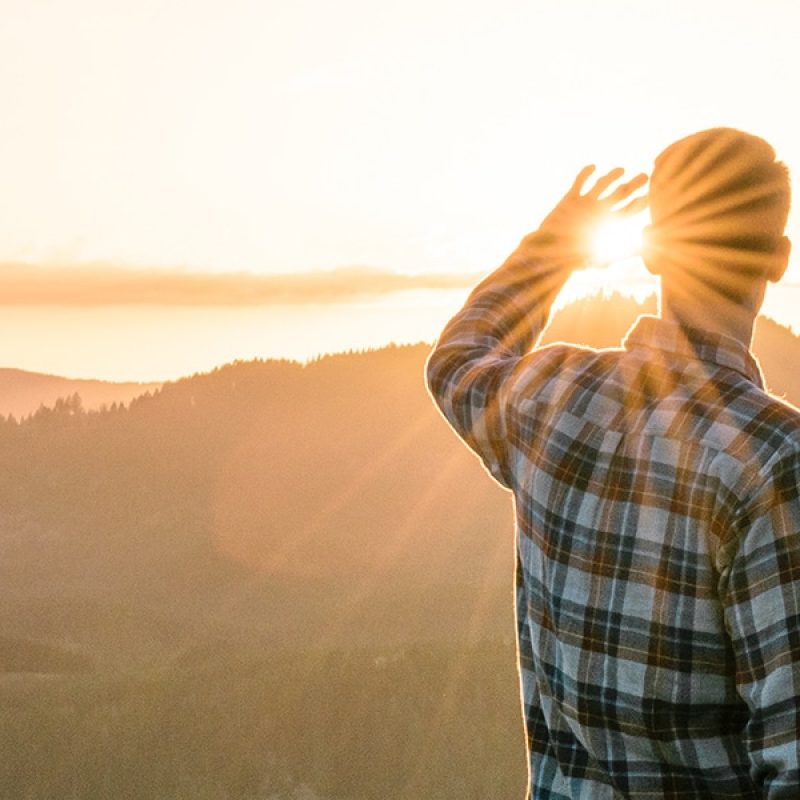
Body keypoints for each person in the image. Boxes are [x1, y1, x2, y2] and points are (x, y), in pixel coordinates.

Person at [425, 128, 799, 799]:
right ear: (778, 259)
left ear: (653, 252)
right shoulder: (773, 463)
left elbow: (458, 357)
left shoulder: (549, 398)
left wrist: (553, 248)